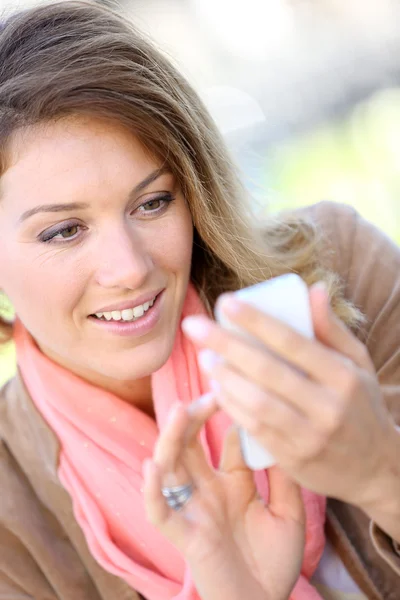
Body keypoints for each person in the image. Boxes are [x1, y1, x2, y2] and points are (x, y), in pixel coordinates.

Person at [0, 2, 399, 599]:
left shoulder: (338, 270)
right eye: (64, 231)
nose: (131, 269)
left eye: (153, 202)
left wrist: (380, 475)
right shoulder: (11, 511)